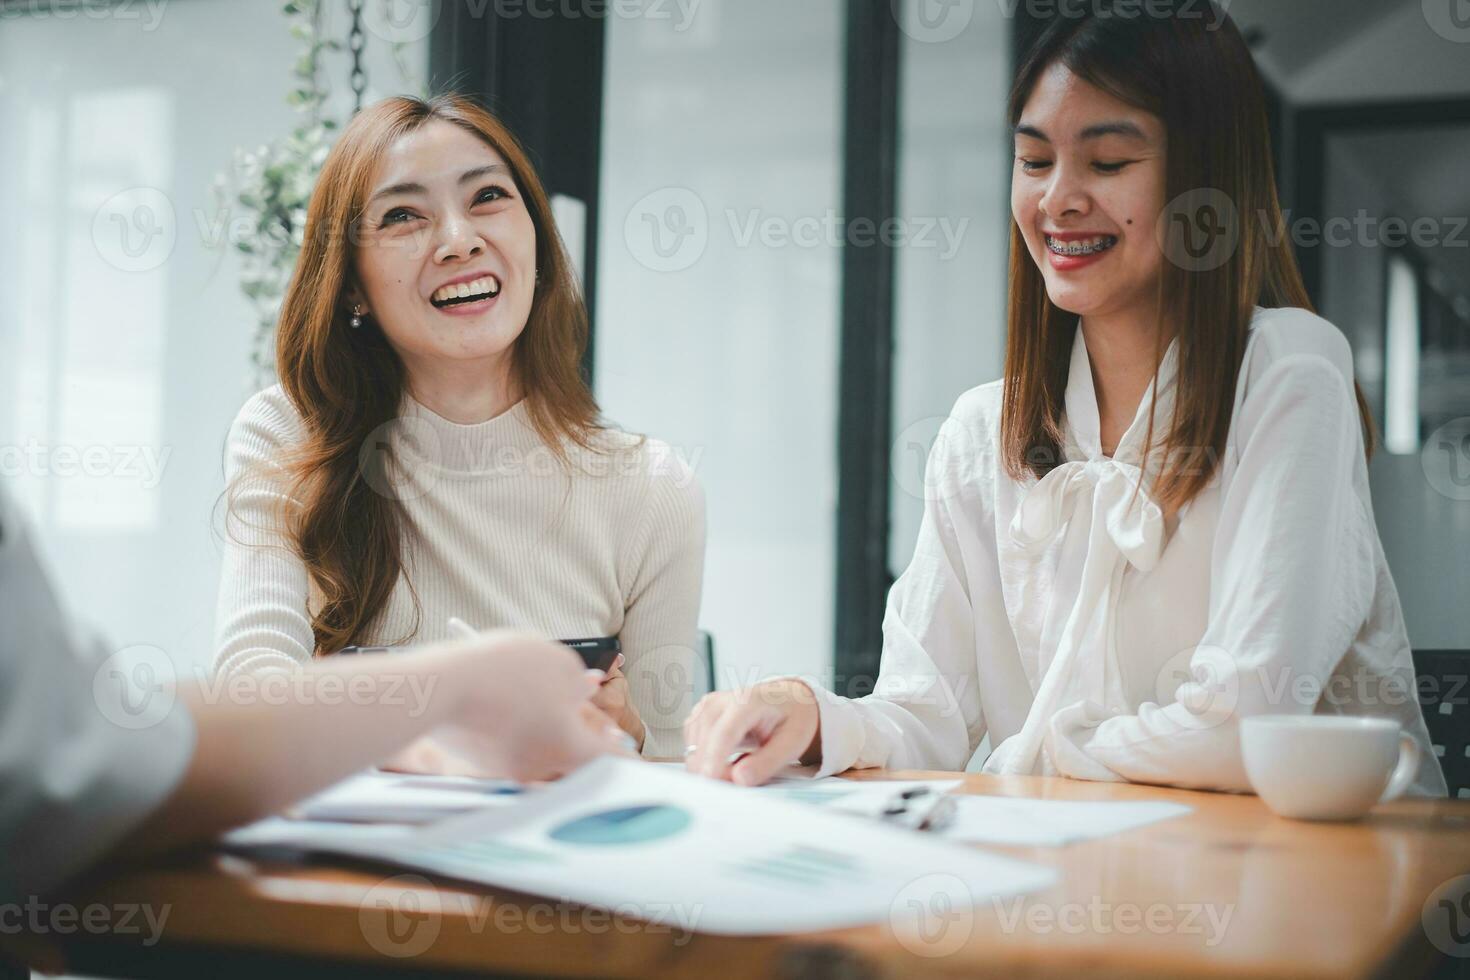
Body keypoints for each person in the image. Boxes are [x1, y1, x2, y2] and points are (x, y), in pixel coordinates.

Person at [684, 0, 1446, 796]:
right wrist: (810, 715)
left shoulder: (1288, 373)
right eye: (1035, 160)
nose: (1058, 200)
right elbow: (925, 716)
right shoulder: (985, 431)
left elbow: (1245, 724)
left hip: (1314, 883)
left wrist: (1036, 755)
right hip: (1086, 874)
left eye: (1109, 163)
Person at [215, 94, 705, 762]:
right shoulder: (289, 434)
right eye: (402, 215)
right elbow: (255, 697)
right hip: (362, 860)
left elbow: (678, 762)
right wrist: (453, 727)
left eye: (488, 199)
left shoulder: (651, 486)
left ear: (535, 241)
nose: (459, 239)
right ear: (352, 285)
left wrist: (632, 733)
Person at [0, 480, 625, 904]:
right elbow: (91, 764)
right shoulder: (286, 439)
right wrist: (453, 695)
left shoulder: (638, 480)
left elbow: (655, 727)